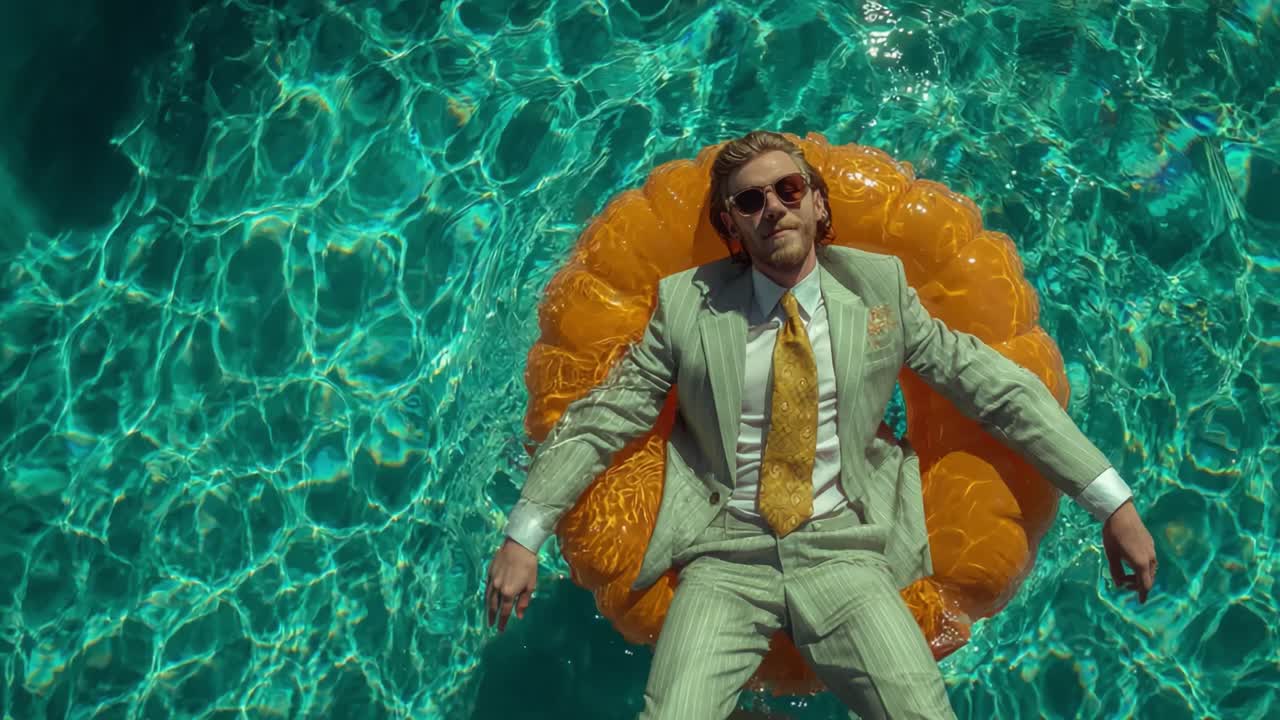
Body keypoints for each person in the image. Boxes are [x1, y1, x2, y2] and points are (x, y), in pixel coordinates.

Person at [485, 131, 1158, 719]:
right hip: (724, 560)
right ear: (733, 228)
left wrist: (1111, 503)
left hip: (844, 554)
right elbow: (603, 421)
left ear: (818, 203)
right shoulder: (686, 308)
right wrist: (524, 535)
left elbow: (998, 391)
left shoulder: (881, 292)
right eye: (751, 201)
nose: (772, 206)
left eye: (787, 189)